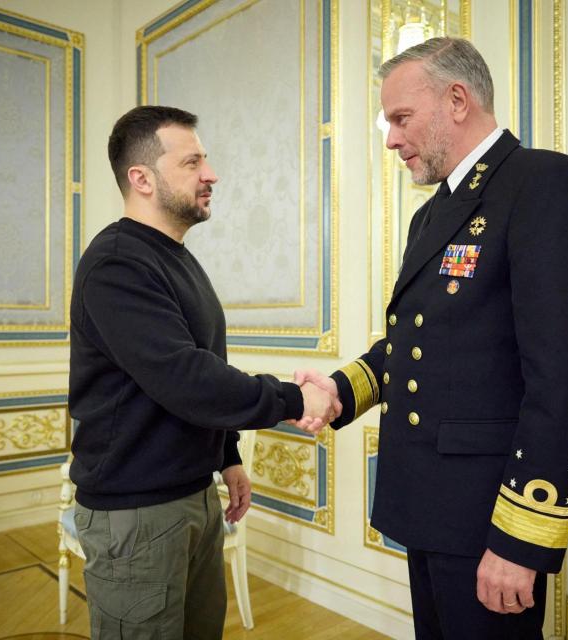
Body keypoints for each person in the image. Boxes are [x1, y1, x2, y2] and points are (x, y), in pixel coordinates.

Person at [295, 37, 568, 639]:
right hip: (430, 506)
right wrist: (338, 390)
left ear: (458, 99)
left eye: (401, 118)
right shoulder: (433, 213)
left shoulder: (544, 184)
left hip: (490, 518)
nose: (391, 138)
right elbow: (419, 343)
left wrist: (521, 540)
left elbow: (564, 383)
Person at [69, 105, 338, 639]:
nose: (210, 174)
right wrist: (293, 400)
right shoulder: (117, 262)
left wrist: (227, 456)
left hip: (192, 495)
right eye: (192, 162)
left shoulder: (177, 257)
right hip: (137, 512)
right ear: (140, 178)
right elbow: (184, 376)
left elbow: (204, 367)